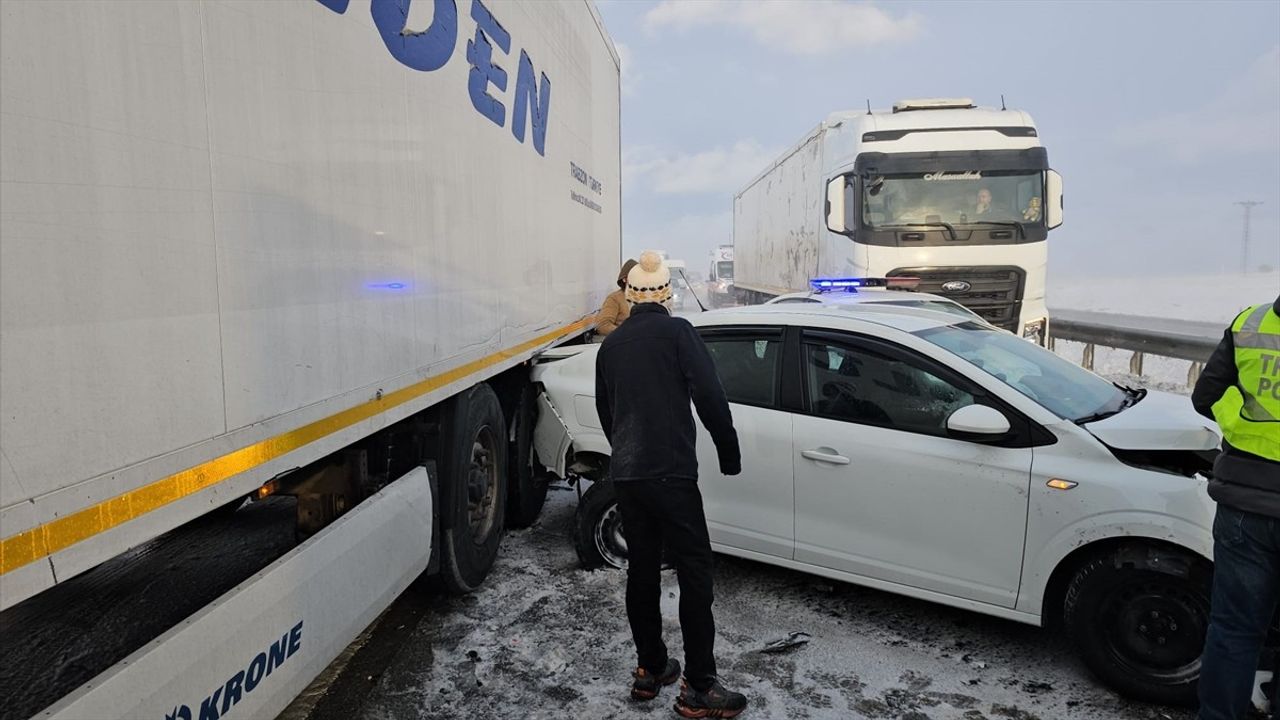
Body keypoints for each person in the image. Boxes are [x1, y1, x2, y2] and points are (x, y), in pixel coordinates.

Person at [594, 250, 748, 718]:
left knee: (642, 571)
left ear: (630, 295)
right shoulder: (679, 332)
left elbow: (608, 412)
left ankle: (651, 669)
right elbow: (709, 394)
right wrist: (729, 451)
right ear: (666, 293)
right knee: (694, 573)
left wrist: (625, 453)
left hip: (629, 474)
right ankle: (699, 687)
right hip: (672, 474)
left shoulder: (611, 347)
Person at [1191, 295, 1280, 720]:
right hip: (1248, 501)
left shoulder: (1253, 322)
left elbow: (1205, 396)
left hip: (1245, 503)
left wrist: (1244, 426)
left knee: (1233, 630)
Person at [596, 258, 638, 337]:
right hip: (626, 343)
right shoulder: (614, 298)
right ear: (624, 279)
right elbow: (603, 325)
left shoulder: (646, 297)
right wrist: (626, 333)